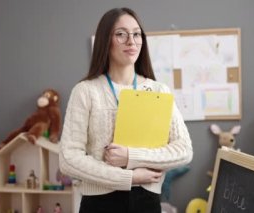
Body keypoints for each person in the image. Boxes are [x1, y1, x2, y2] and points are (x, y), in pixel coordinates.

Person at [59, 7, 193, 213]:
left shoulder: (158, 90)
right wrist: (128, 177)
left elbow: (183, 150)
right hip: (99, 204)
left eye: (136, 34)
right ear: (106, 40)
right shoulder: (85, 91)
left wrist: (131, 157)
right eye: (121, 34)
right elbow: (68, 159)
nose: (131, 41)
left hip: (147, 202)